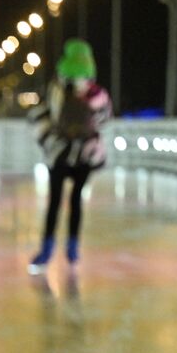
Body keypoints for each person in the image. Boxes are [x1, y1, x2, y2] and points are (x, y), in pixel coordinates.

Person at [27, 38, 113, 277]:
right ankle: (73, 250)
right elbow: (105, 119)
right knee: (75, 201)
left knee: (54, 203)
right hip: (85, 153)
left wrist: (46, 138)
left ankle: (46, 251)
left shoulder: (57, 89)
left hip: (59, 153)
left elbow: (44, 116)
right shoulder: (97, 94)